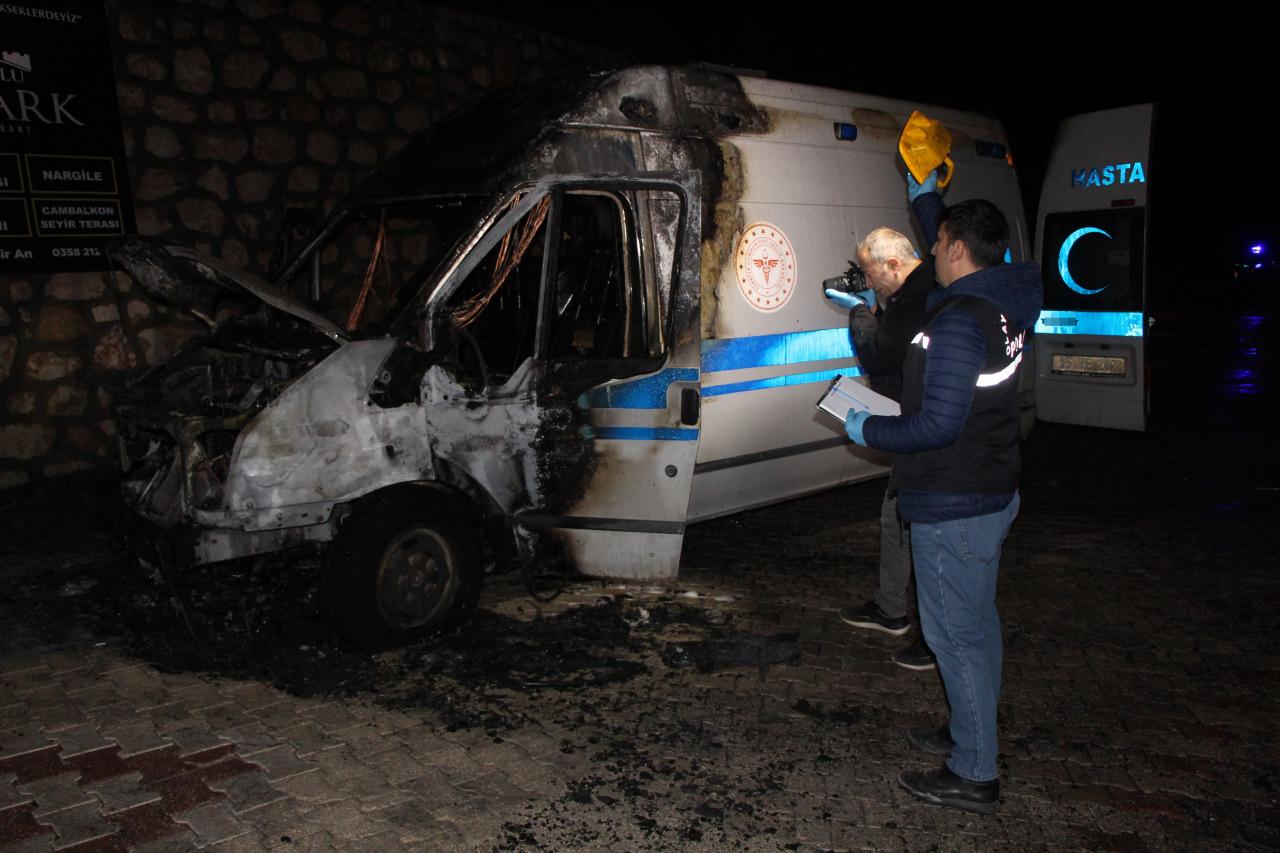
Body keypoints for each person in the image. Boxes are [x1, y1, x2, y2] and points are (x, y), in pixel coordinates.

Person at [844, 195, 1042, 815]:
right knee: (977, 626)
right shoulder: (1004, 302)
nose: (929, 249)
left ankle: (974, 771)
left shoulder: (959, 321)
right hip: (989, 487)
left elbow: (937, 425)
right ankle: (968, 730)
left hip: (953, 499)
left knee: (954, 636)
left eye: (937, 241)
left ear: (958, 249)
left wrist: (867, 428)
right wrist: (927, 198)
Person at [824, 173, 943, 671]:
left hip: (927, 435)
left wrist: (860, 313)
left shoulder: (915, 300)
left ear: (895, 264)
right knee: (896, 518)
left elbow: (877, 353)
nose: (870, 284)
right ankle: (892, 609)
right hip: (914, 424)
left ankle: (937, 640)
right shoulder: (920, 287)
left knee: (927, 536)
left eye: (873, 276)